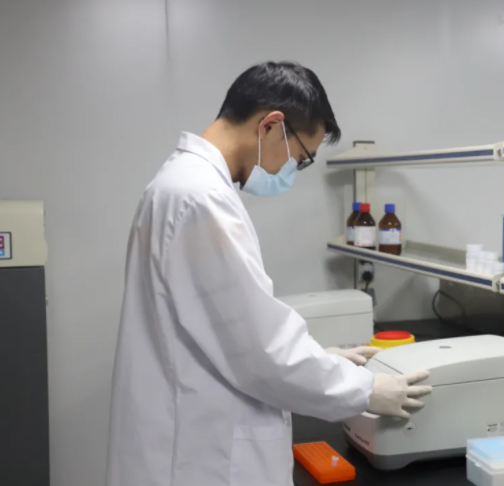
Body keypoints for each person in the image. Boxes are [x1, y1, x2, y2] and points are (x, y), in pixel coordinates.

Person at [105, 61, 432, 486]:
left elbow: (229, 332)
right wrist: (366, 390)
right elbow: (261, 352)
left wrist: (322, 360)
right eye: (301, 157)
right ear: (271, 126)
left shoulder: (179, 184)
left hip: (186, 433)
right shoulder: (200, 198)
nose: (289, 171)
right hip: (199, 457)